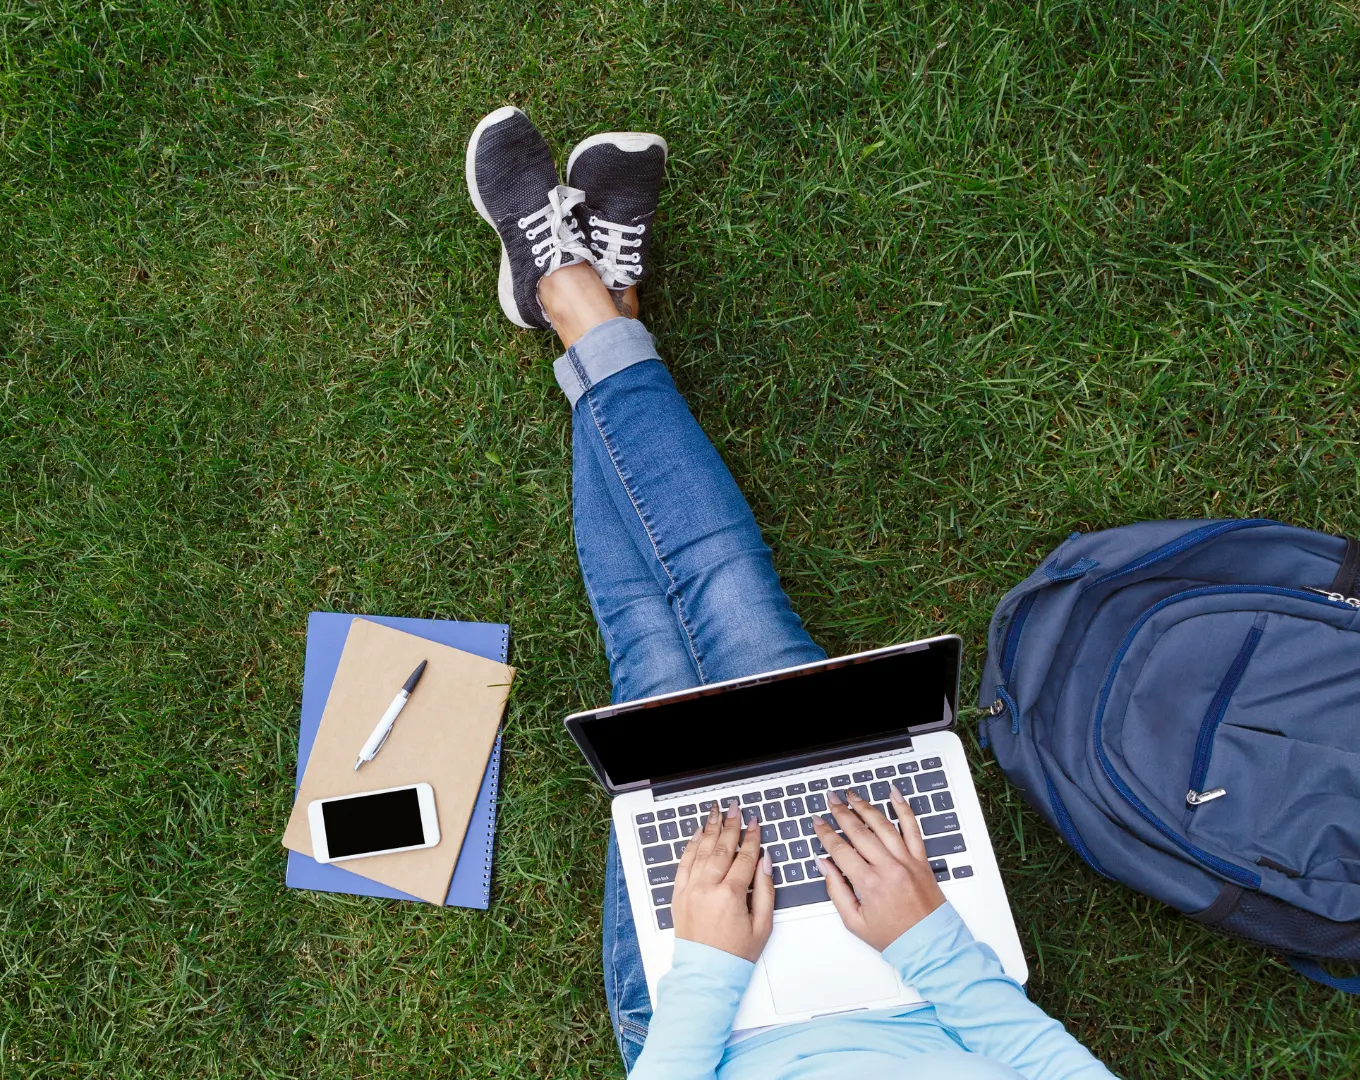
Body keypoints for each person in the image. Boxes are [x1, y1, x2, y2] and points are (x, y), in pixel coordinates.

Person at [465, 105, 1122, 1080]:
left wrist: (706, 972)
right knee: (731, 603)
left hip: (697, 1024)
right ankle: (596, 306)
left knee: (652, 650)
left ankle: (578, 300)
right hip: (925, 980)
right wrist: (930, 944)